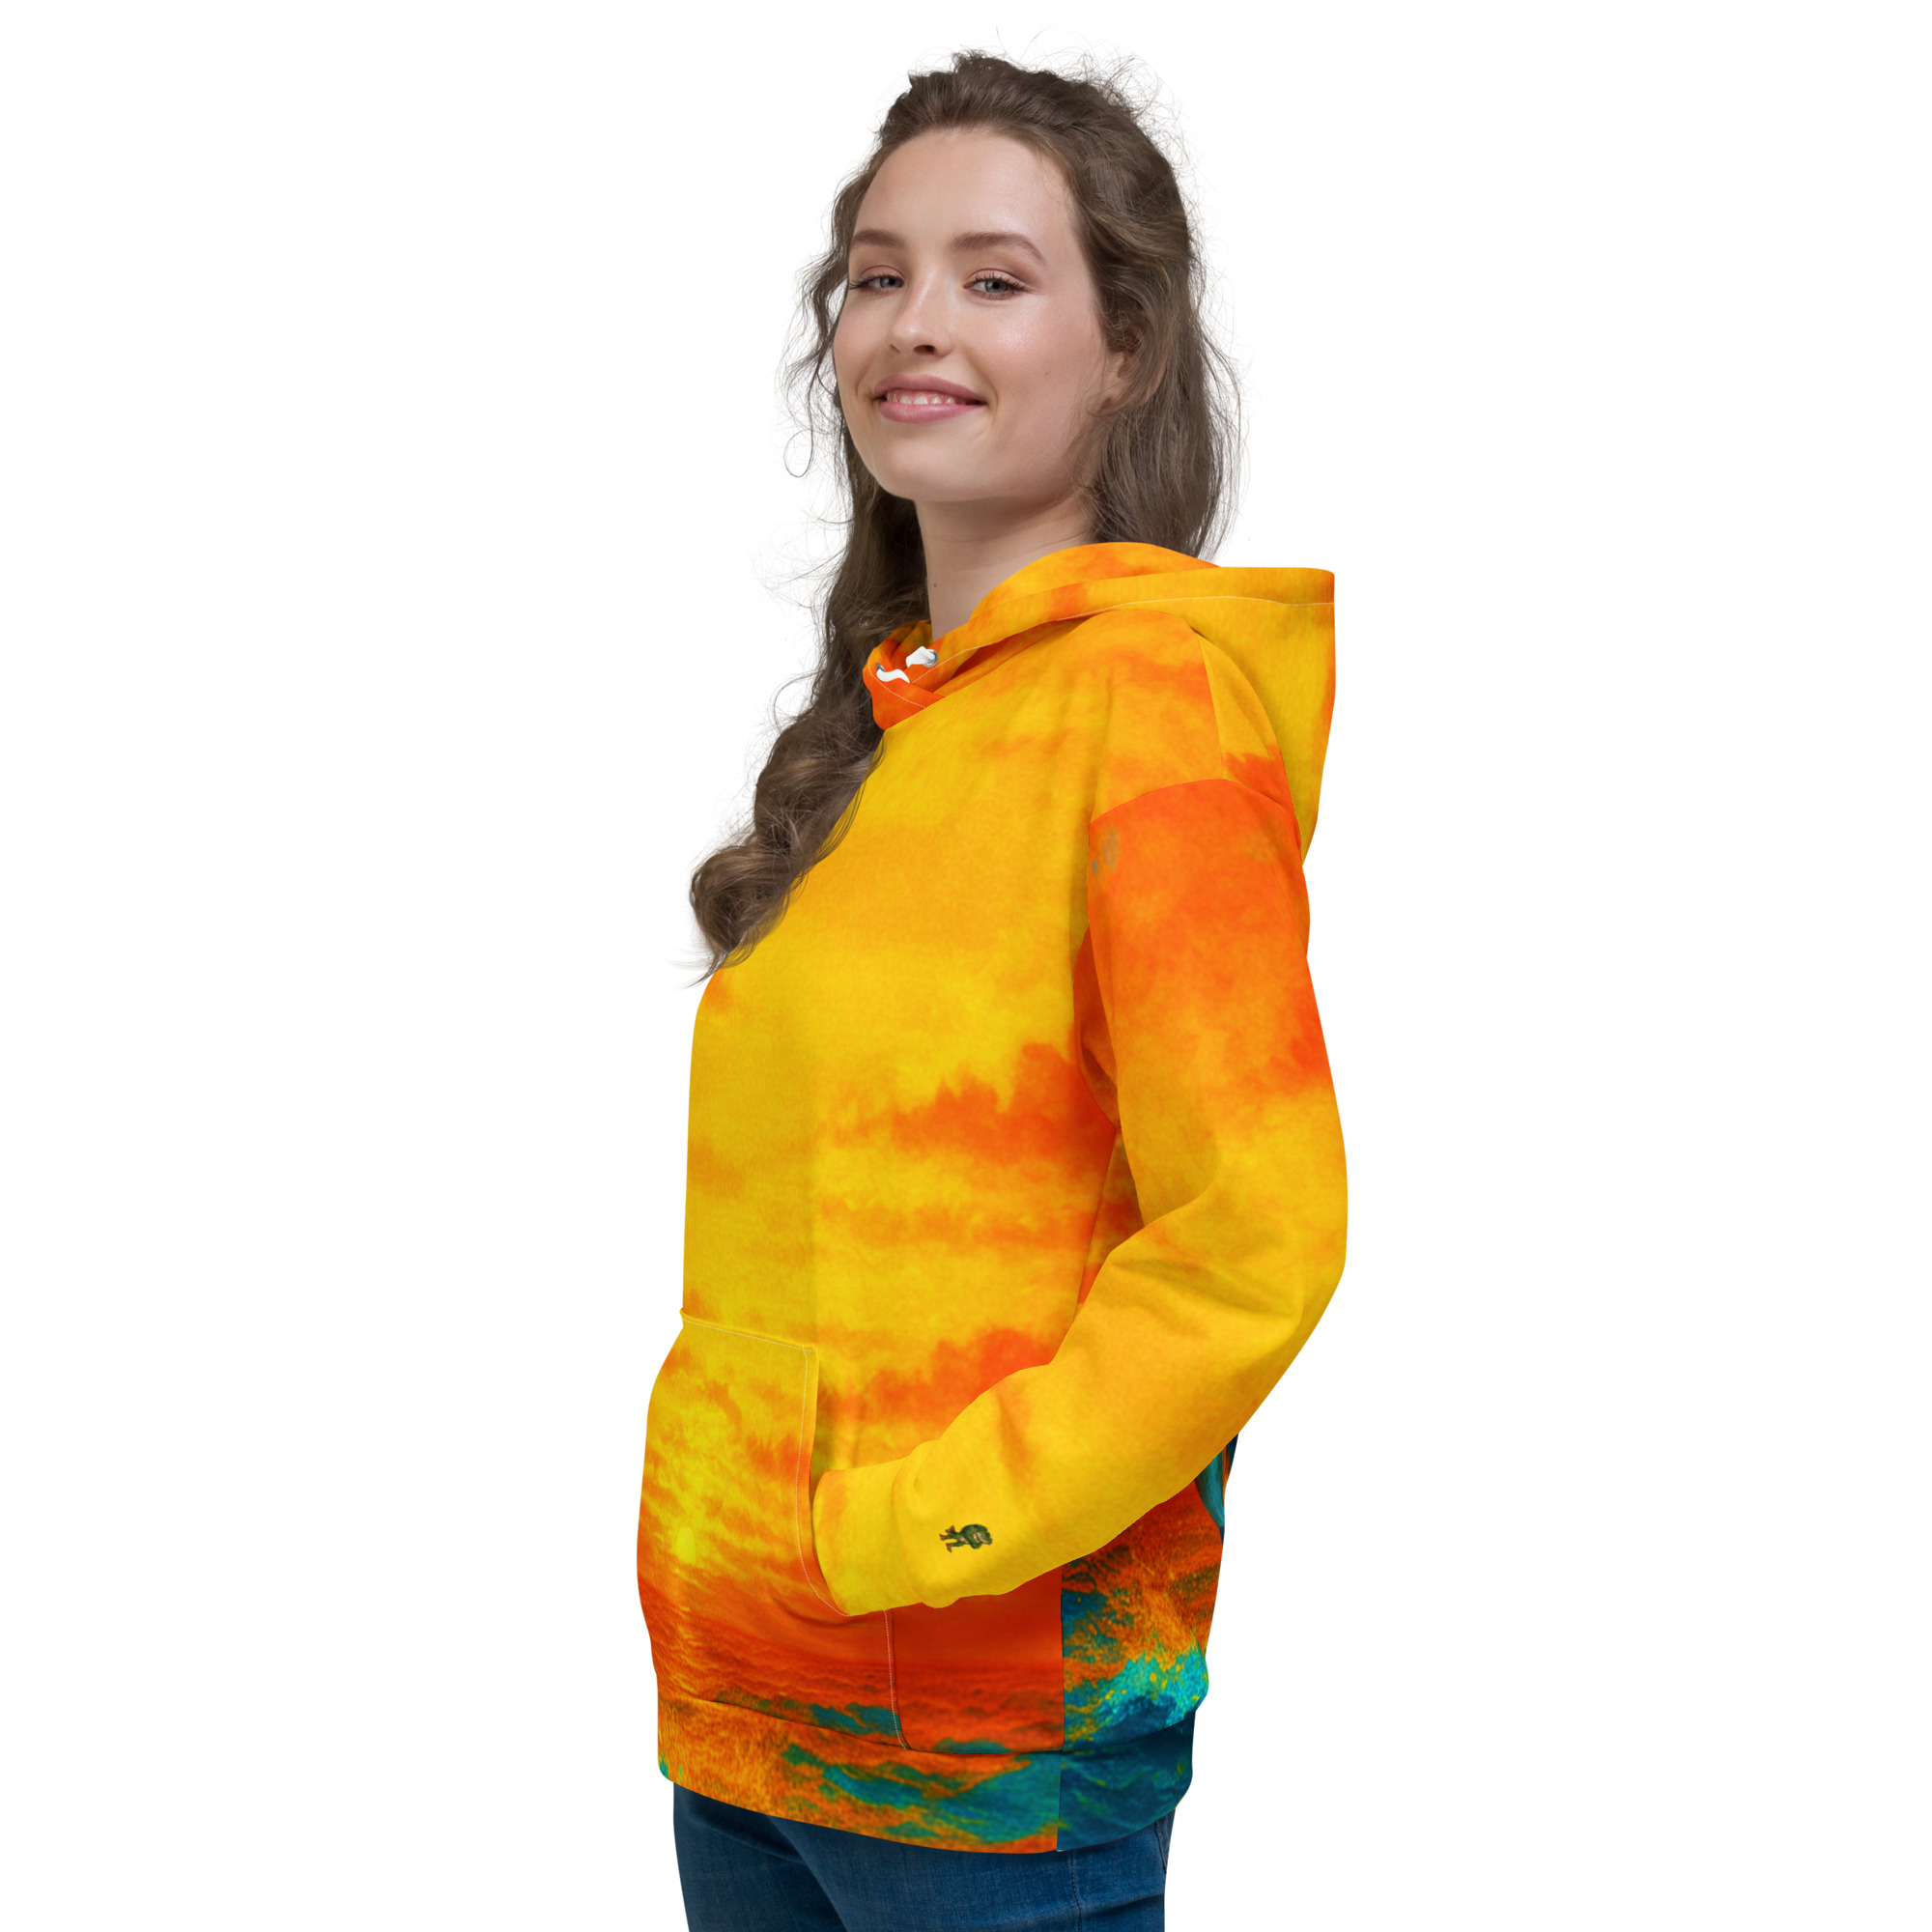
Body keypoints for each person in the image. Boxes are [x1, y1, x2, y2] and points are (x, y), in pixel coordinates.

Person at [637, 50, 1347, 1932]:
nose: (915, 323)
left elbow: (1255, 1242)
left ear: (1127, 352)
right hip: (749, 1716)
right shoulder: (893, 734)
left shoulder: (1151, 709)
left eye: (994, 277)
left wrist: (926, 1522)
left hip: (991, 1757)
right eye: (877, 275)